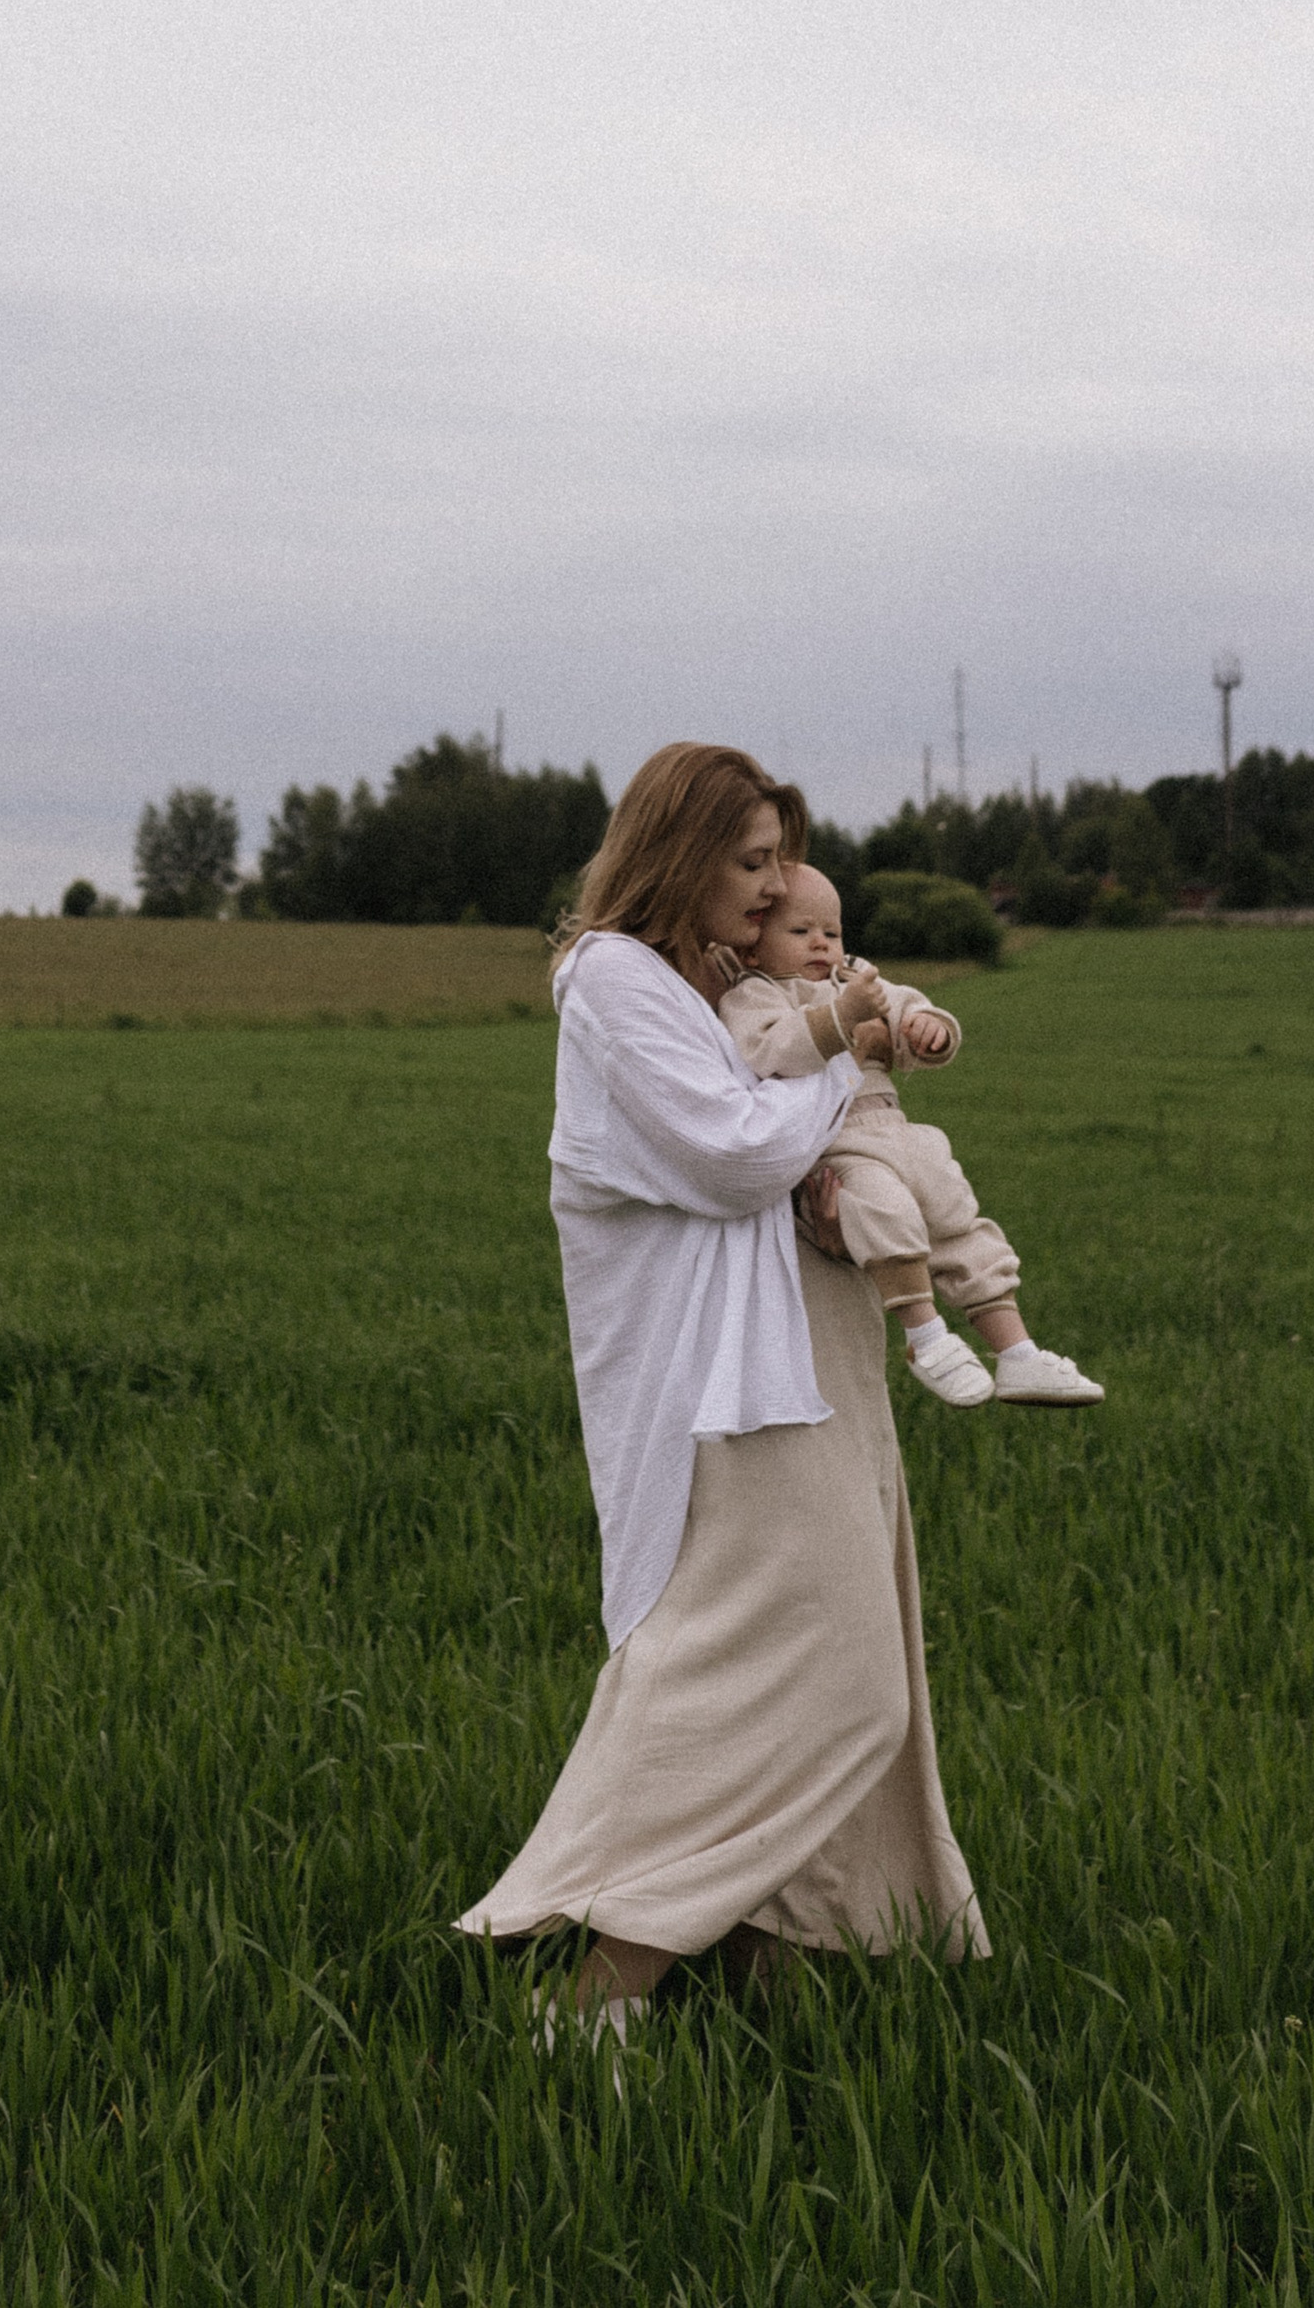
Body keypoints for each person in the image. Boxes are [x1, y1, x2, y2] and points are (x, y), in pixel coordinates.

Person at [457, 742, 986, 2042]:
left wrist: (841, 1060)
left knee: (825, 1666)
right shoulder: (616, 980)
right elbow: (737, 1152)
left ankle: (766, 1969)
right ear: (675, 854)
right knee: (809, 1677)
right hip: (724, 1394)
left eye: (777, 862)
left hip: (805, 1363)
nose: (771, 886)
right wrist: (849, 1071)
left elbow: (796, 1121)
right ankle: (597, 1992)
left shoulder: (725, 985)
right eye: (746, 861)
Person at [720, 865, 1103, 1410]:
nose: (821, 944)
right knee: (887, 1214)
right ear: (754, 948)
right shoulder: (753, 994)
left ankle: (1017, 1352)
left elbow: (900, 1002)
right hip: (840, 1141)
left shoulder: (851, 976)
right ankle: (927, 1339)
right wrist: (842, 1017)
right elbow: (771, 1051)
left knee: (958, 1219)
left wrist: (928, 1028)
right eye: (801, 931)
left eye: (832, 931)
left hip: (899, 1129)